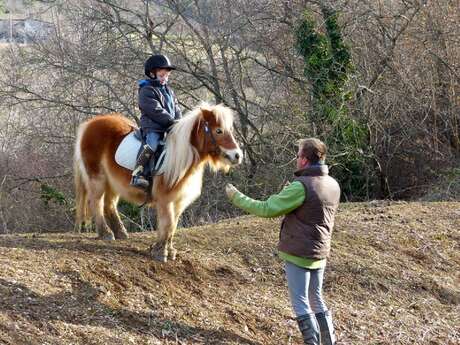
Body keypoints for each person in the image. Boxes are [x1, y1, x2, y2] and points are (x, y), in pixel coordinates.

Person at [225, 138, 340, 345]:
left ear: (304, 160)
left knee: (301, 303)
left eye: (297, 156)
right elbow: (312, 210)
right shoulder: (332, 184)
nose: (296, 160)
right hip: (320, 251)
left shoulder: (301, 186)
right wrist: (290, 192)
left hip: (299, 252)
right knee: (316, 299)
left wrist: (236, 197)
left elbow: (266, 209)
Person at [131, 54, 182, 189]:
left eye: (166, 75)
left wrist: (180, 123)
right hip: (153, 127)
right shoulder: (146, 90)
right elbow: (155, 110)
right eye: (161, 75)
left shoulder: (169, 91)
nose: (164, 78)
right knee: (152, 144)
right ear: (152, 74)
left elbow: (176, 108)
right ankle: (138, 174)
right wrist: (171, 122)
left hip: (169, 127)